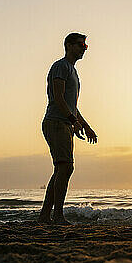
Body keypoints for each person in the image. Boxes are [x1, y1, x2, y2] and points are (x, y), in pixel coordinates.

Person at [38, 32, 98, 225]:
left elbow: (72, 104)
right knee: (65, 166)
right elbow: (58, 96)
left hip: (64, 122)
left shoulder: (73, 71)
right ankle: (57, 216)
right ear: (69, 45)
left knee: (61, 168)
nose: (84, 49)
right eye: (81, 45)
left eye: (85, 46)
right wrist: (73, 120)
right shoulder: (60, 66)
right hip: (55, 122)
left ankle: (45, 216)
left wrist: (86, 125)